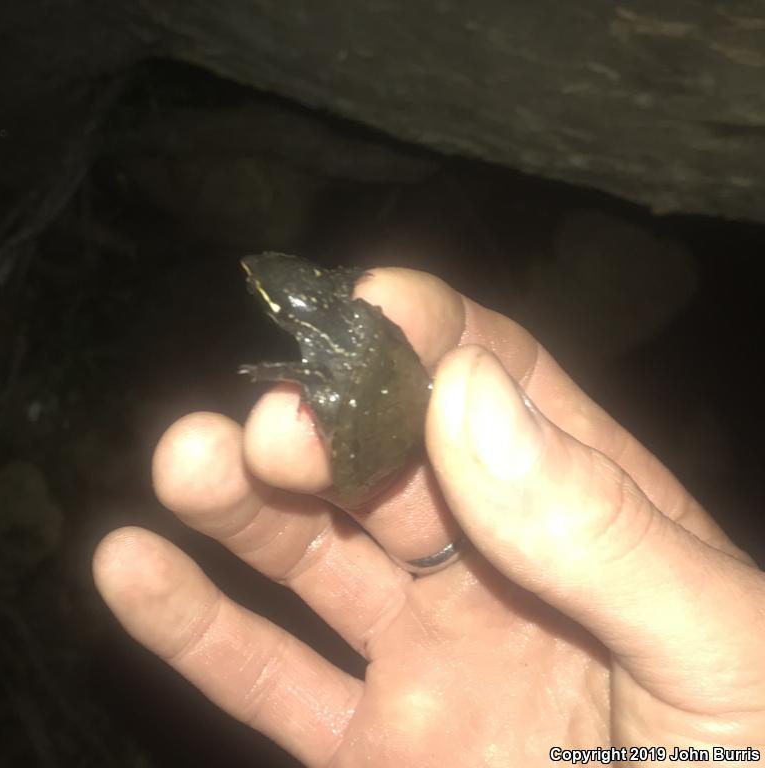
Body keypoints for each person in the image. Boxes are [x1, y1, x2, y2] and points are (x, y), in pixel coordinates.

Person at [93, 265, 765, 765]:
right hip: (383, 416)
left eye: (263, 294)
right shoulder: (346, 315)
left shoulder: (343, 324)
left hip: (380, 431)